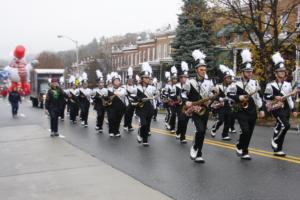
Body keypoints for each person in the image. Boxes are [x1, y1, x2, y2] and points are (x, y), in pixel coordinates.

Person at [227, 49, 265, 160]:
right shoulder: (236, 83)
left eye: (251, 71)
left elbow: (258, 98)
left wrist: (261, 108)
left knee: (250, 132)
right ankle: (240, 145)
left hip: (252, 111)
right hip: (240, 110)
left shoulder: (255, 83)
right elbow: (229, 94)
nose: (250, 73)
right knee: (245, 130)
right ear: (242, 72)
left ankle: (245, 150)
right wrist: (238, 97)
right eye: (247, 71)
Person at [182, 50, 215, 163]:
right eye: (201, 69)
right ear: (196, 70)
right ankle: (195, 147)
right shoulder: (190, 82)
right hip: (193, 110)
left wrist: (210, 101)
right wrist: (187, 102)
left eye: (205, 70)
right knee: (199, 130)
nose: (204, 71)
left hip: (204, 110)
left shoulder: (209, 82)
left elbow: (212, 94)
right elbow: (182, 94)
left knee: (203, 132)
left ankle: (199, 154)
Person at [264, 52, 298, 156]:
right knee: (286, 125)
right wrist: (274, 97)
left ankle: (278, 149)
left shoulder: (288, 85)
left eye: (283, 71)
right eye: (280, 71)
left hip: (286, 109)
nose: (282, 73)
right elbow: (265, 97)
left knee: (280, 126)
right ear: (276, 73)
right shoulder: (270, 85)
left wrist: (293, 110)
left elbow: (290, 99)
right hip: (276, 108)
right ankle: (275, 141)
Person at [210, 65, 235, 141]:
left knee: (228, 120)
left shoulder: (232, 87)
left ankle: (225, 134)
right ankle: (214, 128)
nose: (229, 79)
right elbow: (212, 95)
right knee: (221, 120)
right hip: (220, 105)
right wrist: (220, 98)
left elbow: (234, 95)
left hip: (228, 105)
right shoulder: (218, 86)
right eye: (227, 78)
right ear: (224, 79)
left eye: (230, 78)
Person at [136, 62, 156, 146]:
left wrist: (157, 95)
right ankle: (140, 133)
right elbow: (134, 97)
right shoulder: (137, 87)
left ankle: (145, 140)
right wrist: (140, 99)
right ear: (142, 78)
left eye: (149, 78)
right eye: (146, 78)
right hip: (141, 108)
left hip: (149, 108)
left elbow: (156, 95)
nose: (148, 79)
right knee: (143, 124)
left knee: (147, 125)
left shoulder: (152, 87)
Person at [106, 72, 126, 137]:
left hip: (120, 106)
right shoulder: (109, 89)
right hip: (111, 106)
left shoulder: (122, 89)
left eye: (118, 81)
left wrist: (115, 93)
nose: (117, 82)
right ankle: (111, 131)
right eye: (116, 81)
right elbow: (106, 98)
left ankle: (116, 131)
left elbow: (123, 95)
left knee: (118, 119)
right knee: (111, 118)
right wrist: (109, 98)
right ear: (113, 82)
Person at [176, 61, 190, 143]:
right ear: (180, 78)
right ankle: (178, 131)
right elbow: (174, 95)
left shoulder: (189, 85)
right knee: (181, 120)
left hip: (188, 105)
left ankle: (182, 136)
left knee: (185, 122)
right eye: (182, 77)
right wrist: (178, 98)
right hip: (180, 105)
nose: (184, 79)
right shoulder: (177, 86)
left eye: (185, 77)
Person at [167, 66, 181, 134]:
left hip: (177, 103)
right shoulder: (168, 86)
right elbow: (167, 94)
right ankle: (172, 128)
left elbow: (179, 94)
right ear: (172, 80)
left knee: (179, 116)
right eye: (174, 79)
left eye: (176, 79)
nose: (175, 80)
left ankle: (177, 128)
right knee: (173, 115)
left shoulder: (179, 86)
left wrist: (179, 98)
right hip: (171, 103)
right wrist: (169, 99)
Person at [124, 67, 137, 132]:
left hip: (133, 103)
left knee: (131, 115)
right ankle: (126, 125)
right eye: (129, 80)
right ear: (127, 80)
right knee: (127, 114)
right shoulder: (124, 86)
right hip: (126, 102)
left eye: (131, 80)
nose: (130, 81)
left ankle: (129, 125)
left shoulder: (135, 86)